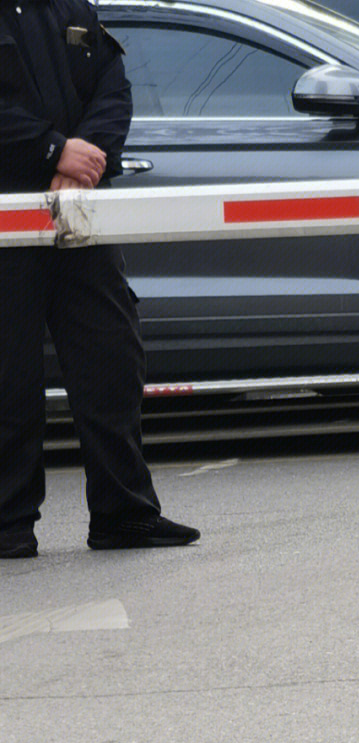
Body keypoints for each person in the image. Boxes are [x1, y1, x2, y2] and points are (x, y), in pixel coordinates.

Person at [0, 0, 198, 558]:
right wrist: (52, 149)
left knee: (112, 361)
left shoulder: (68, 5)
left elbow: (114, 87)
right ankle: (8, 524)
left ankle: (124, 514)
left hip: (80, 212)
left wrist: (84, 161)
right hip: (5, 219)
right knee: (8, 377)